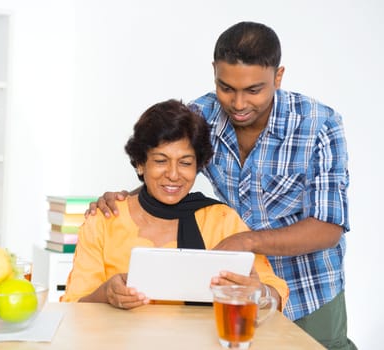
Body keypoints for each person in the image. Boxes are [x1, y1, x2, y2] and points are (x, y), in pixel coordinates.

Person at [89, 22, 355, 350]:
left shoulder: (320, 124)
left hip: (309, 287)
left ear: (279, 76)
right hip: (235, 291)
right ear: (214, 72)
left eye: (254, 90)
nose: (238, 104)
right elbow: (170, 167)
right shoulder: (201, 114)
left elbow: (328, 228)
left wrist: (245, 241)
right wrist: (121, 199)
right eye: (226, 87)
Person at [61, 99, 289, 310]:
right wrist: (106, 294)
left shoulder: (221, 220)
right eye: (161, 161)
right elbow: (73, 305)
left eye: (185, 163)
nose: (173, 174)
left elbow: (275, 291)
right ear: (140, 163)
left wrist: (259, 293)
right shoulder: (105, 219)